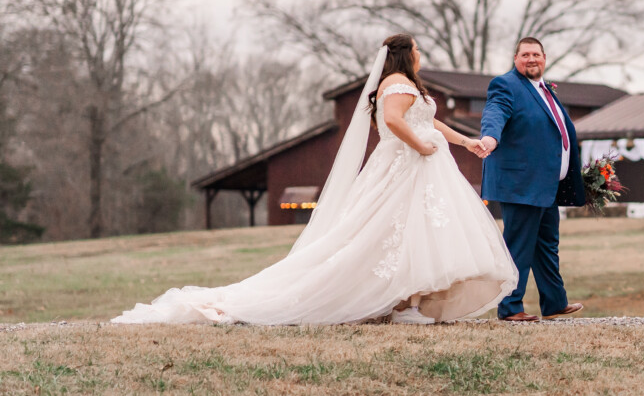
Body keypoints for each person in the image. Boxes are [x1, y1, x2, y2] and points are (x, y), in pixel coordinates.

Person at [113, 34, 517, 325]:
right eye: (417, 50)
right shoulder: (396, 83)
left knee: (413, 233)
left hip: (422, 171)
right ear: (403, 55)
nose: (422, 55)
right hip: (405, 168)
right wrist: (420, 147)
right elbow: (395, 121)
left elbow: (426, 119)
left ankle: (409, 302)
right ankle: (402, 305)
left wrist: (464, 142)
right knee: (388, 233)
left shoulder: (408, 86)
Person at [478, 37, 586, 322]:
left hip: (545, 185)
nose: (531, 59)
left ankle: (554, 302)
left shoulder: (544, 90)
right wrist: (490, 136)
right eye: (525, 55)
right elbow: (495, 112)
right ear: (516, 59)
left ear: (544, 58)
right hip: (521, 184)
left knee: (546, 244)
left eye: (535, 54)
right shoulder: (505, 85)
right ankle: (510, 307)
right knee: (519, 245)